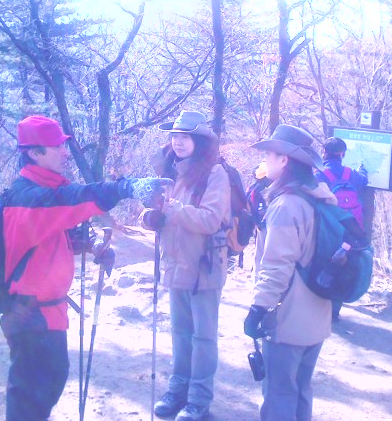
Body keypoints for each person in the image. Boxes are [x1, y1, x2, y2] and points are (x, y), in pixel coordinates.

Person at [0, 115, 171, 421]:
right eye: (56, 147)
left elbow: (51, 237)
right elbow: (74, 199)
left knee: (49, 377)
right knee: (31, 391)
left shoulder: (43, 192)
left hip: (46, 310)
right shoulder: (28, 197)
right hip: (30, 313)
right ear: (35, 153)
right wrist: (126, 187)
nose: (65, 152)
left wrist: (91, 246)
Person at [140, 110, 231, 421]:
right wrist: (150, 217)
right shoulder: (169, 172)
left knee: (203, 337)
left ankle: (198, 399)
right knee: (180, 332)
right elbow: (155, 212)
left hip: (205, 268)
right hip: (175, 264)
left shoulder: (215, 174)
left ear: (199, 141)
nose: (177, 142)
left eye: (185, 137)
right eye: (175, 136)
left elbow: (210, 220)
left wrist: (173, 209)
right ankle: (177, 389)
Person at [243, 124, 337, 421]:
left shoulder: (286, 205)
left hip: (287, 318)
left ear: (284, 160)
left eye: (269, 155)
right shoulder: (319, 197)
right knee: (301, 390)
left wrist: (258, 309)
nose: (265, 161)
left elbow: (277, 266)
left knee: (280, 393)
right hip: (317, 314)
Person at [315, 136, 368, 321]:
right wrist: (363, 169)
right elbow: (363, 181)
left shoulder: (320, 175)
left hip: (329, 229)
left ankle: (321, 308)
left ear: (324, 152)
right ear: (342, 154)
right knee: (343, 265)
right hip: (350, 230)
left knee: (325, 264)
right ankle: (335, 311)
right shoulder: (350, 174)